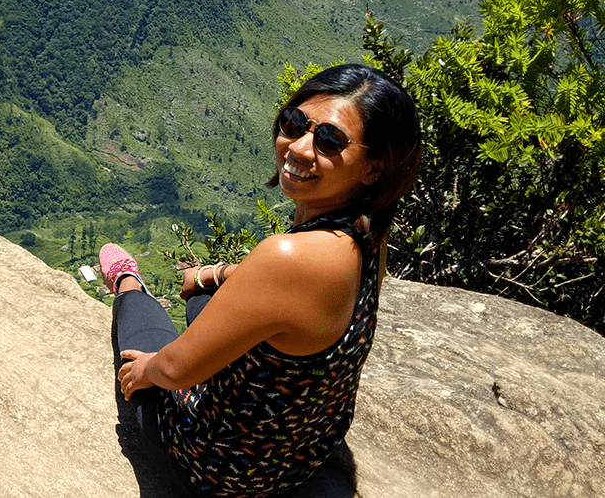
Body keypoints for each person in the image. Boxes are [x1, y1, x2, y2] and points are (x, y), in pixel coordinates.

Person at [102, 64, 421, 497]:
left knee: (145, 340)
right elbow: (284, 292)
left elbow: (176, 370)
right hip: (303, 449)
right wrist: (213, 275)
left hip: (221, 472)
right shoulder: (366, 234)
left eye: (330, 140)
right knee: (201, 299)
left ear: (372, 169)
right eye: (295, 123)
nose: (301, 148)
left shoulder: (287, 257)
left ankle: (128, 284)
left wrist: (146, 370)